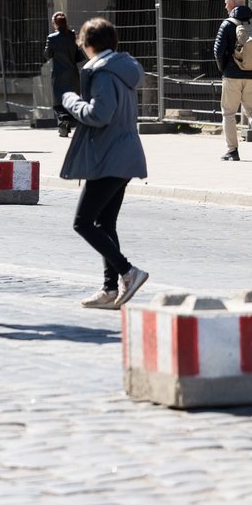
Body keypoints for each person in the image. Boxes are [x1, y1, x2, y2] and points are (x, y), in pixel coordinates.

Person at [60, 18, 150, 309]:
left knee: (83, 222)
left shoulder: (102, 73)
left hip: (108, 157)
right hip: (124, 155)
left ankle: (128, 272)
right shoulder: (123, 68)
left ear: (87, 45)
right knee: (105, 223)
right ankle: (110, 289)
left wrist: (71, 101)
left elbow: (99, 114)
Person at [214, 0, 252, 161]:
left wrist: (224, 69)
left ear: (232, 4)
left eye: (226, 3)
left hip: (232, 75)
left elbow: (218, 50)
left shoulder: (228, 24)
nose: (225, 6)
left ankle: (232, 151)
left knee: (229, 113)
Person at [44, 12, 83, 137]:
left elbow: (47, 55)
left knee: (58, 102)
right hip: (73, 74)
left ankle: (64, 122)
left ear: (54, 24)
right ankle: (72, 123)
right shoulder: (72, 36)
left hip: (59, 74)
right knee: (73, 100)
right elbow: (79, 56)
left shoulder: (51, 38)